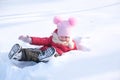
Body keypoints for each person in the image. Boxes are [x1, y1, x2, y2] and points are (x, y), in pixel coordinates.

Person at [8, 16, 88, 63]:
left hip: (55, 56)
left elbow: (74, 55)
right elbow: (41, 40)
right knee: (33, 52)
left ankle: (50, 56)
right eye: (62, 36)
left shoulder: (71, 44)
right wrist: (29, 39)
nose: (64, 38)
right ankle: (19, 53)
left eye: (66, 36)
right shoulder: (53, 39)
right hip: (43, 52)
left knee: (52, 54)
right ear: (58, 34)